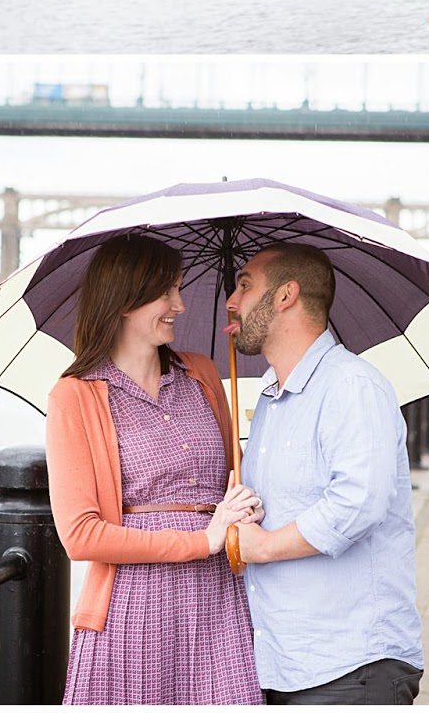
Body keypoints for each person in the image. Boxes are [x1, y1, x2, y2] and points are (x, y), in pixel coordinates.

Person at [46, 235, 264, 706]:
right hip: (132, 608)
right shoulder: (76, 395)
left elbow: (230, 479)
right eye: (166, 292)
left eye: (179, 289)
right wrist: (200, 541)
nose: (179, 305)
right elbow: (81, 535)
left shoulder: (203, 373)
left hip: (218, 601)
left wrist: (243, 504)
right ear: (125, 299)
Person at [225, 244, 424, 705]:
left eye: (245, 285)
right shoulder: (272, 399)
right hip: (284, 661)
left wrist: (265, 547)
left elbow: (358, 503)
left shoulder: (351, 387)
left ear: (285, 295)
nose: (232, 301)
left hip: (350, 666)